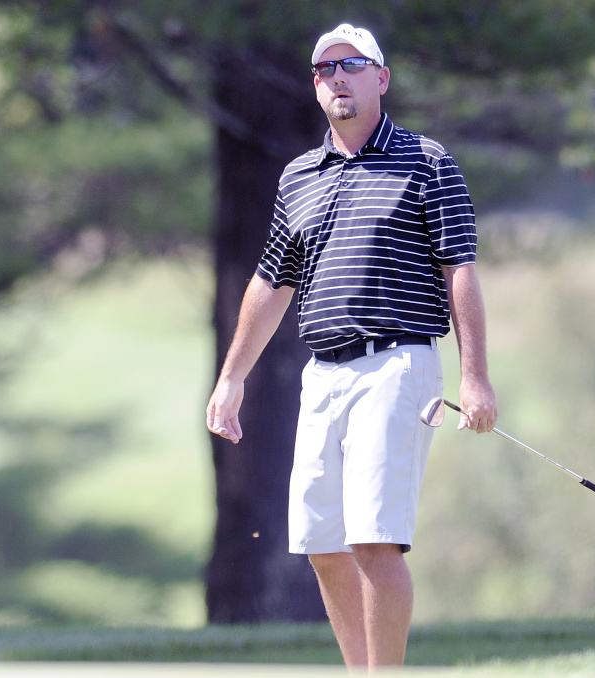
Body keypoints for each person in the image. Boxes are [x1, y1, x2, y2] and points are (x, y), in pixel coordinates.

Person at [205, 24, 499, 670]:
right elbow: (270, 281)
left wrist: (474, 377)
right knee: (322, 546)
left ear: (381, 79)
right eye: (323, 70)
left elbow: (460, 270)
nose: (336, 79)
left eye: (352, 66)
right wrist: (232, 378)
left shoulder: (427, 161)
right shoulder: (299, 177)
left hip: (398, 364)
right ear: (315, 88)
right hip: (325, 372)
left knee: (375, 541)